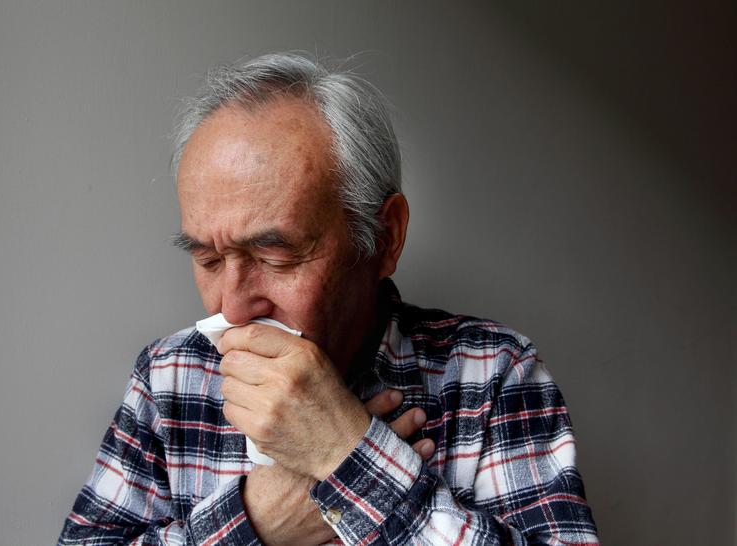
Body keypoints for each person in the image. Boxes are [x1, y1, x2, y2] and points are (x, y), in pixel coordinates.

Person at [58, 52, 599, 545]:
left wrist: (347, 454)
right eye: (208, 259)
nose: (233, 307)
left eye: (276, 256)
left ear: (384, 238)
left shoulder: (492, 373)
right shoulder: (168, 377)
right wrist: (257, 524)